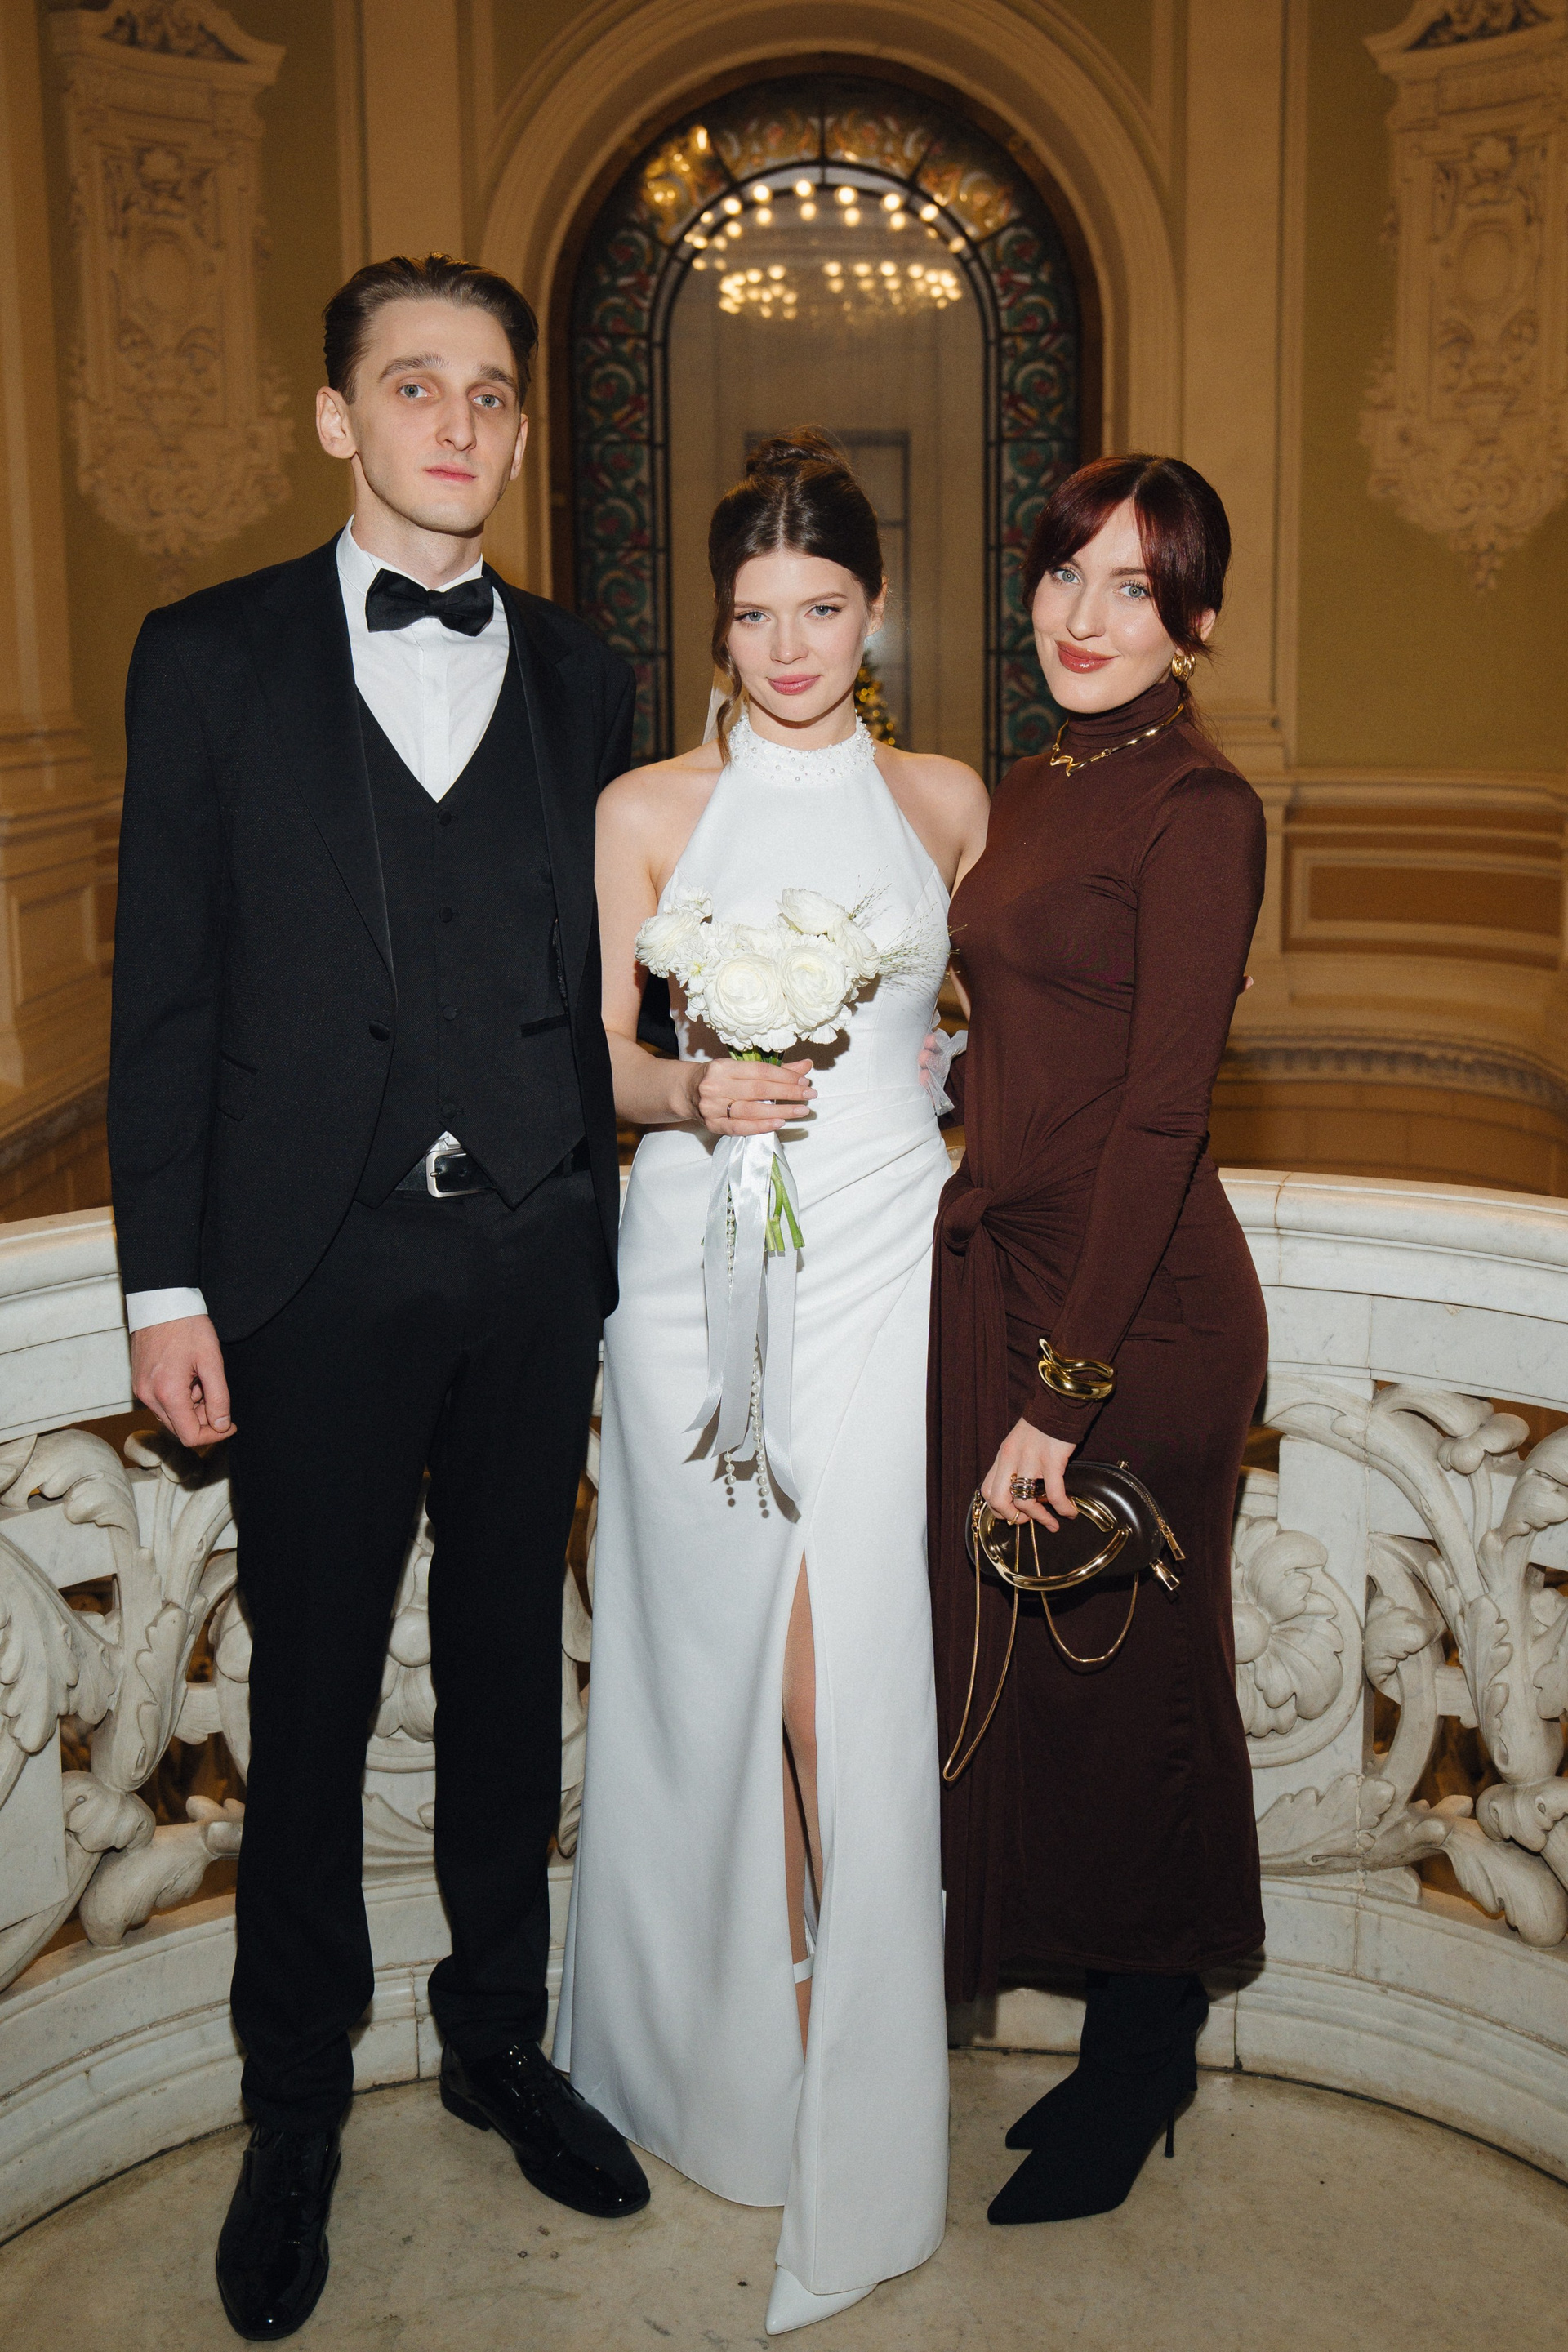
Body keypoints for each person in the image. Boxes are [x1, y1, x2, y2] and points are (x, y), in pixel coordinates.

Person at [108, 253, 649, 2342]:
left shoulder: (587, 674)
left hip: (532, 1261)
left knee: (514, 1678)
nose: (459, 424)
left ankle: (498, 2039)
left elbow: (614, 981)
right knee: (313, 1701)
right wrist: (167, 1281)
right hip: (310, 1271)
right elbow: (169, 996)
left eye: (491, 394)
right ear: (337, 418)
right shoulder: (206, 658)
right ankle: (296, 2107)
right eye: (415, 387)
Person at [559, 431, 989, 2334]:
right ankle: (707, 2058)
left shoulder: (948, 801)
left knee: (844, 1672)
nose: (790, 646)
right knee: (704, 1664)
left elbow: (1008, 1019)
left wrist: (951, 1094)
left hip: (885, 1258)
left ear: (876, 611)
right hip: (691, 1271)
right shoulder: (646, 808)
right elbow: (597, 1057)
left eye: (823, 608)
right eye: (754, 614)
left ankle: (843, 2046)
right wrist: (696, 1086)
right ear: (715, 627)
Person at [929, 454, 1267, 2226]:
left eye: (1133, 587)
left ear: (1191, 621)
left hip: (1139, 1317)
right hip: (1031, 1282)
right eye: (1067, 571)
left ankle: (1146, 2064)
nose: (1082, 614)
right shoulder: (1040, 777)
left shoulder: (1198, 806)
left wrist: (1064, 1394)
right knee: (1065, 1689)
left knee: (1140, 1688)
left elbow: (1158, 1118)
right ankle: (1117, 2039)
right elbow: (1028, 1033)